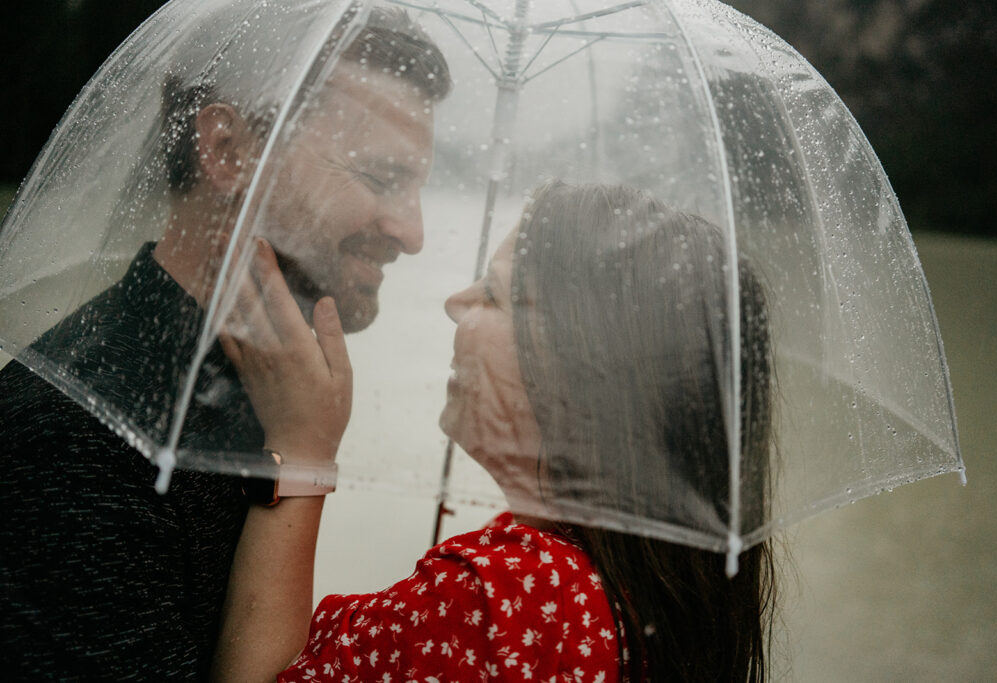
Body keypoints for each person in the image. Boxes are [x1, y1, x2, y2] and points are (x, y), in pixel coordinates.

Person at [0, 6, 450, 679]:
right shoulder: (76, 438)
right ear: (227, 152)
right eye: (382, 179)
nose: (413, 232)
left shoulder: (272, 385)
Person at [213, 181, 778, 682]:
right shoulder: (639, 586)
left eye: (494, 294)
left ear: (581, 364)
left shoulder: (505, 598)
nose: (455, 304)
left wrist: (303, 449)